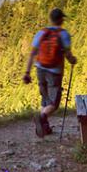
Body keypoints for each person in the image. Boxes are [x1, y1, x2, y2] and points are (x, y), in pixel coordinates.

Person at [23, 8, 77, 138]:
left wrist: (27, 72)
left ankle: (44, 127)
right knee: (54, 103)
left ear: (50, 19)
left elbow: (32, 53)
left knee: (45, 98)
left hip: (40, 69)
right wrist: (72, 60)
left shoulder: (41, 33)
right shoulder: (63, 34)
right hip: (54, 71)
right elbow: (68, 55)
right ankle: (41, 117)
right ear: (61, 20)